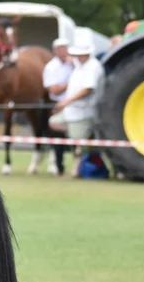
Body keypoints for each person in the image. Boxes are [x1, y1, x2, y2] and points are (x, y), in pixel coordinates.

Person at [48, 32, 104, 178]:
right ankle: (85, 139)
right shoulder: (80, 66)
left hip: (83, 112)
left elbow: (87, 89)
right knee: (55, 123)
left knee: (78, 141)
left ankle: (77, 169)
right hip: (71, 112)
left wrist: (65, 102)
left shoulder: (93, 67)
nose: (75, 57)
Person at [36, 38, 74, 175]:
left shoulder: (74, 65)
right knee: (57, 135)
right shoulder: (51, 67)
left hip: (74, 103)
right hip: (57, 105)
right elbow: (54, 90)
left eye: (65, 48)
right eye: (60, 49)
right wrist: (72, 84)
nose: (63, 52)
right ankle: (58, 166)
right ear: (55, 51)